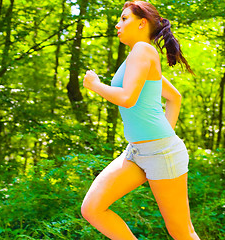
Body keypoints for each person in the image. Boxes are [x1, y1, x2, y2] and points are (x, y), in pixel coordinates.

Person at [81, 1, 200, 239]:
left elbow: (127, 98)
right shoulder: (138, 56)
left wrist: (95, 85)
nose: (118, 24)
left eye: (124, 19)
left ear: (142, 23)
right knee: (92, 209)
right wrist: (156, 139)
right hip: (136, 151)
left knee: (182, 233)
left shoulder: (143, 51)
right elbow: (174, 98)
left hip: (160, 153)